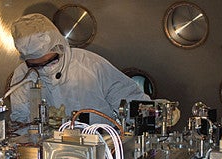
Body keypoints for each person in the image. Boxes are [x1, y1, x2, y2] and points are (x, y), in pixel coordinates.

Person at [8, 13, 150, 125]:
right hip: (50, 153)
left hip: (100, 146)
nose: (46, 69)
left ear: (60, 46)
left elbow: (130, 102)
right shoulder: (22, 76)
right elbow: (21, 121)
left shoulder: (90, 65)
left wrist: (153, 117)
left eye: (51, 61)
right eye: (35, 66)